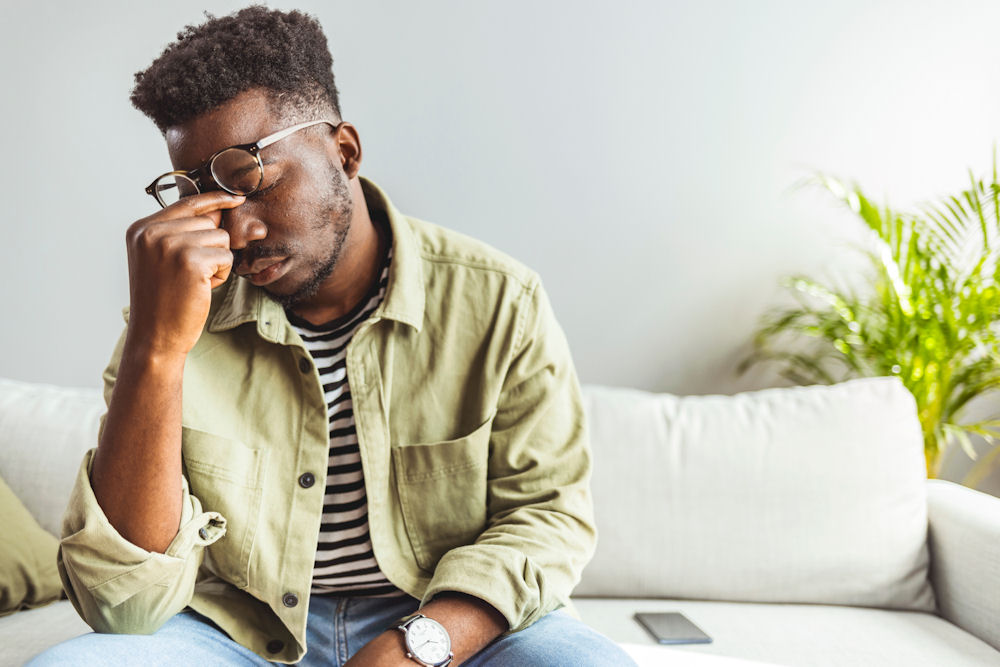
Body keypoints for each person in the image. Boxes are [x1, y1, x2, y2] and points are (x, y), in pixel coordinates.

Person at [30, 6, 634, 666]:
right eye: (197, 193)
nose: (235, 232)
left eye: (250, 177)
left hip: (446, 622)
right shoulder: (171, 320)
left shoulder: (498, 301)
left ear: (343, 150)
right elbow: (125, 607)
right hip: (232, 633)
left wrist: (417, 645)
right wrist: (157, 347)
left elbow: (546, 519)